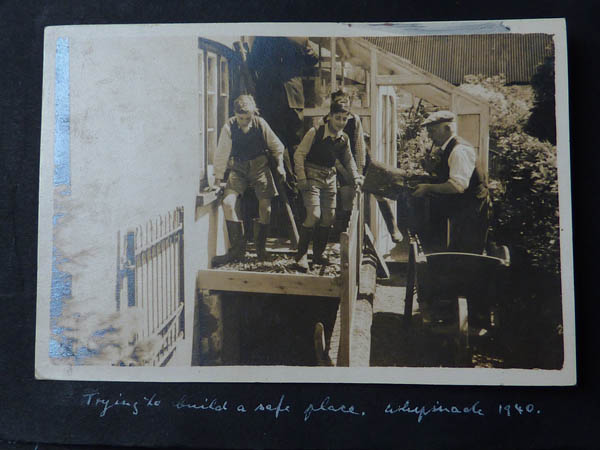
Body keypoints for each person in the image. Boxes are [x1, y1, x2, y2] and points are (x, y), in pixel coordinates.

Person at [321, 89, 403, 243]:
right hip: (340, 163)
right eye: (339, 101)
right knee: (348, 198)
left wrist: (359, 171)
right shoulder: (325, 122)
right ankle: (348, 238)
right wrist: (346, 173)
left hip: (360, 159)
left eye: (346, 102)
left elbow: (359, 146)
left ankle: (393, 228)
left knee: (377, 190)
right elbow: (329, 151)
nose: (343, 104)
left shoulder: (354, 119)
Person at [212, 95, 286, 265]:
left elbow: (277, 147)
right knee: (228, 203)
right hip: (238, 168)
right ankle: (237, 250)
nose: (245, 121)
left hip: (259, 167)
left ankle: (261, 250)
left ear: (254, 113)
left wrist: (280, 165)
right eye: (241, 118)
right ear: (235, 114)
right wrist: (217, 179)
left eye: (248, 118)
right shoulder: (229, 127)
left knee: (265, 207)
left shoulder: (260, 124)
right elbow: (222, 153)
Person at [293, 101, 364, 271]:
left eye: (344, 119)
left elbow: (348, 159)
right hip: (312, 177)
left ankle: (318, 255)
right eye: (337, 118)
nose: (341, 122)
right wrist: (301, 177)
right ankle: (301, 256)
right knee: (314, 215)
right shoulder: (315, 132)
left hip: (330, 178)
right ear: (330, 116)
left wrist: (355, 177)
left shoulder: (343, 138)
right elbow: (299, 155)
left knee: (329, 217)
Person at [412, 110, 489, 254]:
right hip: (462, 209)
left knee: (467, 253)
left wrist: (427, 187)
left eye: (433, 131)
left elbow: (457, 186)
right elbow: (449, 176)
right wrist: (431, 172)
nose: (430, 136)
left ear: (447, 128)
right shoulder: (447, 148)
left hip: (472, 210)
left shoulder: (459, 150)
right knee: (456, 251)